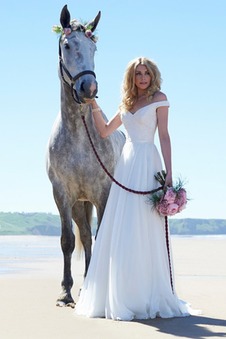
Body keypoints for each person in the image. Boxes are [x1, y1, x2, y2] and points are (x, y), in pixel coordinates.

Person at [75, 57, 195, 320]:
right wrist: (93, 105)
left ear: (153, 76)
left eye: (146, 73)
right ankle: (122, 293)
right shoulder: (127, 104)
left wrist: (169, 174)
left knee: (145, 226)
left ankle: (146, 293)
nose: (143, 78)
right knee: (124, 226)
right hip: (126, 164)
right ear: (131, 78)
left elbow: (164, 135)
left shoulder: (159, 99)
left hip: (148, 162)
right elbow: (105, 131)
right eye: (138, 74)